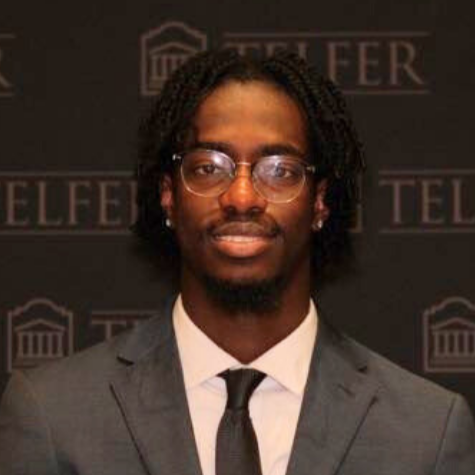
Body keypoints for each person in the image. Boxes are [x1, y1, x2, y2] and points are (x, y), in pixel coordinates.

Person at [0, 49, 474, 475]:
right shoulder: (53, 416)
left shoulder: (426, 433)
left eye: (280, 171)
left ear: (320, 203)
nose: (242, 197)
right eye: (209, 167)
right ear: (168, 196)